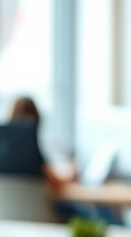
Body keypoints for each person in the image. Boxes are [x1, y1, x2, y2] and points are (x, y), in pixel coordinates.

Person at [8, 96, 116, 224]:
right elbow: (55, 181)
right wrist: (70, 172)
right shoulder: (30, 150)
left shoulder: (0, 152)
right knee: (105, 217)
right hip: (44, 215)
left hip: (7, 217)